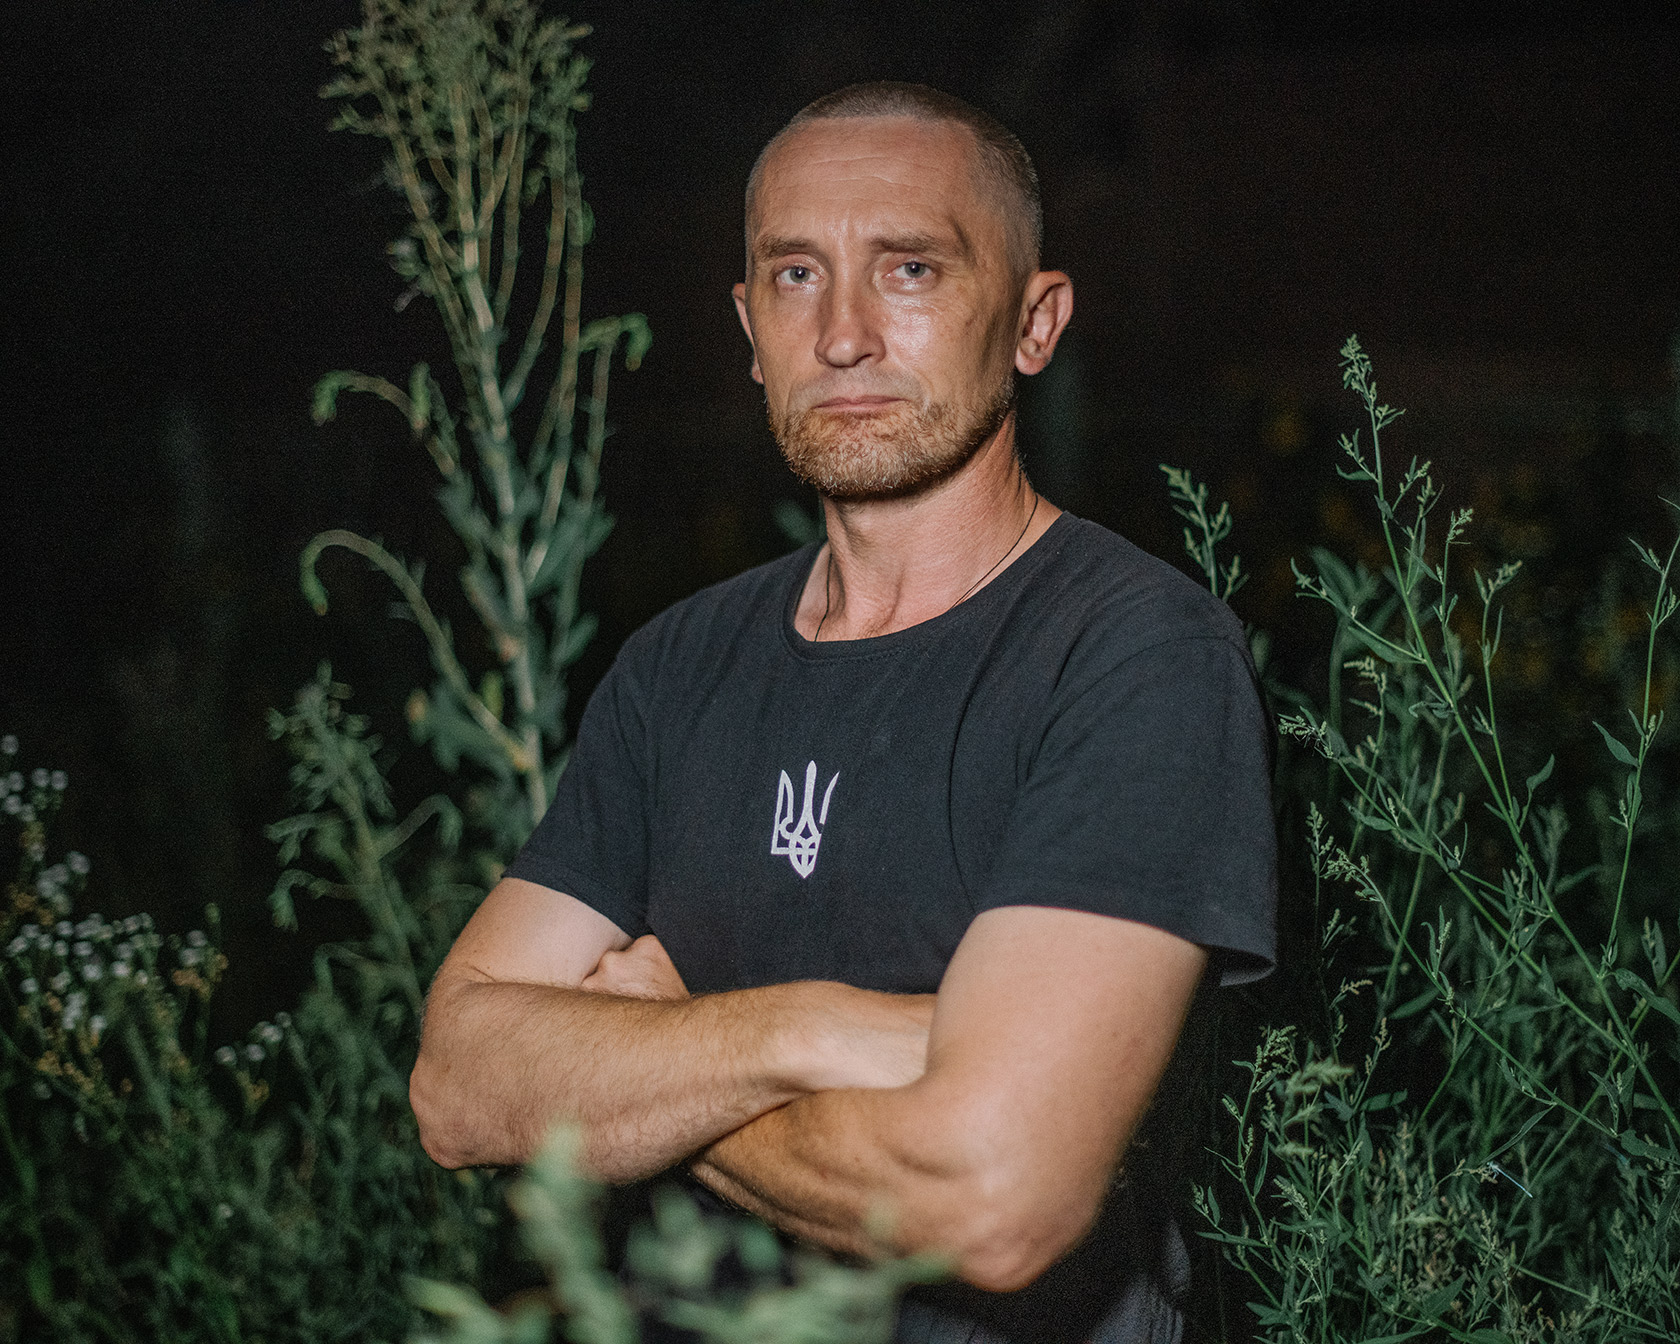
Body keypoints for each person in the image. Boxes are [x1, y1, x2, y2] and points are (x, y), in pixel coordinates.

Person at [409, 82, 1276, 1343]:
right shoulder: (678, 666)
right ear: (750, 328)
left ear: (1035, 323)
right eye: (796, 275)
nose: (845, 335)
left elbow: (994, 1196)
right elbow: (458, 1083)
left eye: (910, 269)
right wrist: (811, 1032)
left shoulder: (1135, 655)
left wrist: (651, 1061)